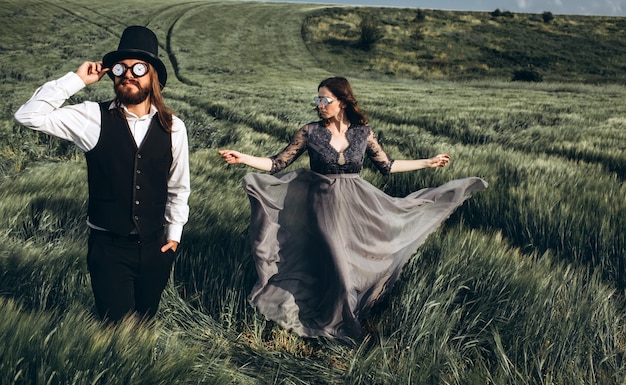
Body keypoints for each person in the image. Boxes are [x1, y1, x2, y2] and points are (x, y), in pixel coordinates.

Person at [219, 76, 487, 339]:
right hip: (323, 207)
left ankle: (348, 320)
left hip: (357, 205)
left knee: (351, 264)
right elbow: (277, 163)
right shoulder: (309, 131)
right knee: (338, 263)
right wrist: (243, 158)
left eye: (325, 99)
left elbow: (388, 166)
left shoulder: (363, 133)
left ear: (343, 102)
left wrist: (428, 162)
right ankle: (342, 326)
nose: (319, 104)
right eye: (318, 98)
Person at [14, 25, 191, 323]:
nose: (128, 75)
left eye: (139, 68)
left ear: (154, 78)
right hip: (108, 249)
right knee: (115, 330)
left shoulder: (174, 126)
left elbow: (178, 187)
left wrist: (173, 238)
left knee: (145, 324)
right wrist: (77, 80)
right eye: (121, 68)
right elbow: (28, 115)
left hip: (155, 247)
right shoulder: (91, 117)